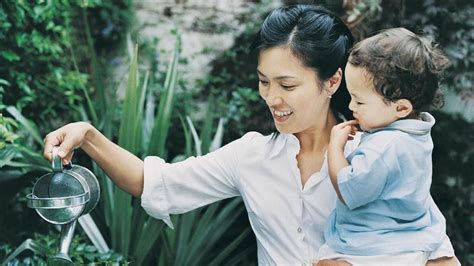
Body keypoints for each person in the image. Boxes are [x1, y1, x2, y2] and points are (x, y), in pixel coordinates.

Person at [43, 5, 458, 265]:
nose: (271, 98)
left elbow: (434, 249)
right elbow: (153, 182)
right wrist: (89, 136)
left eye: (287, 85)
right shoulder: (251, 157)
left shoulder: (381, 154)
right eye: (263, 82)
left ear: (333, 82)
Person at [317, 28, 456, 265]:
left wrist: (335, 150)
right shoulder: (417, 131)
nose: (352, 106)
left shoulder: (384, 145)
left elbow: (350, 189)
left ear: (400, 108)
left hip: (375, 248)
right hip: (417, 236)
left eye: (359, 100)